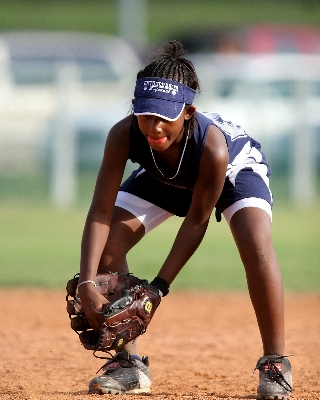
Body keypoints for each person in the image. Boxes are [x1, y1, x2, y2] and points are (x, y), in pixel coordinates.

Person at [77, 40, 292, 399]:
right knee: (110, 241)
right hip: (167, 175)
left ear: (188, 111)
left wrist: (157, 288)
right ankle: (130, 366)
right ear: (134, 108)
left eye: (166, 115)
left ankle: (275, 362)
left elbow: (196, 220)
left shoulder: (213, 147)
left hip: (231, 170)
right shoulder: (125, 134)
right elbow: (100, 210)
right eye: (147, 113)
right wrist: (87, 282)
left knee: (256, 244)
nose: (155, 126)